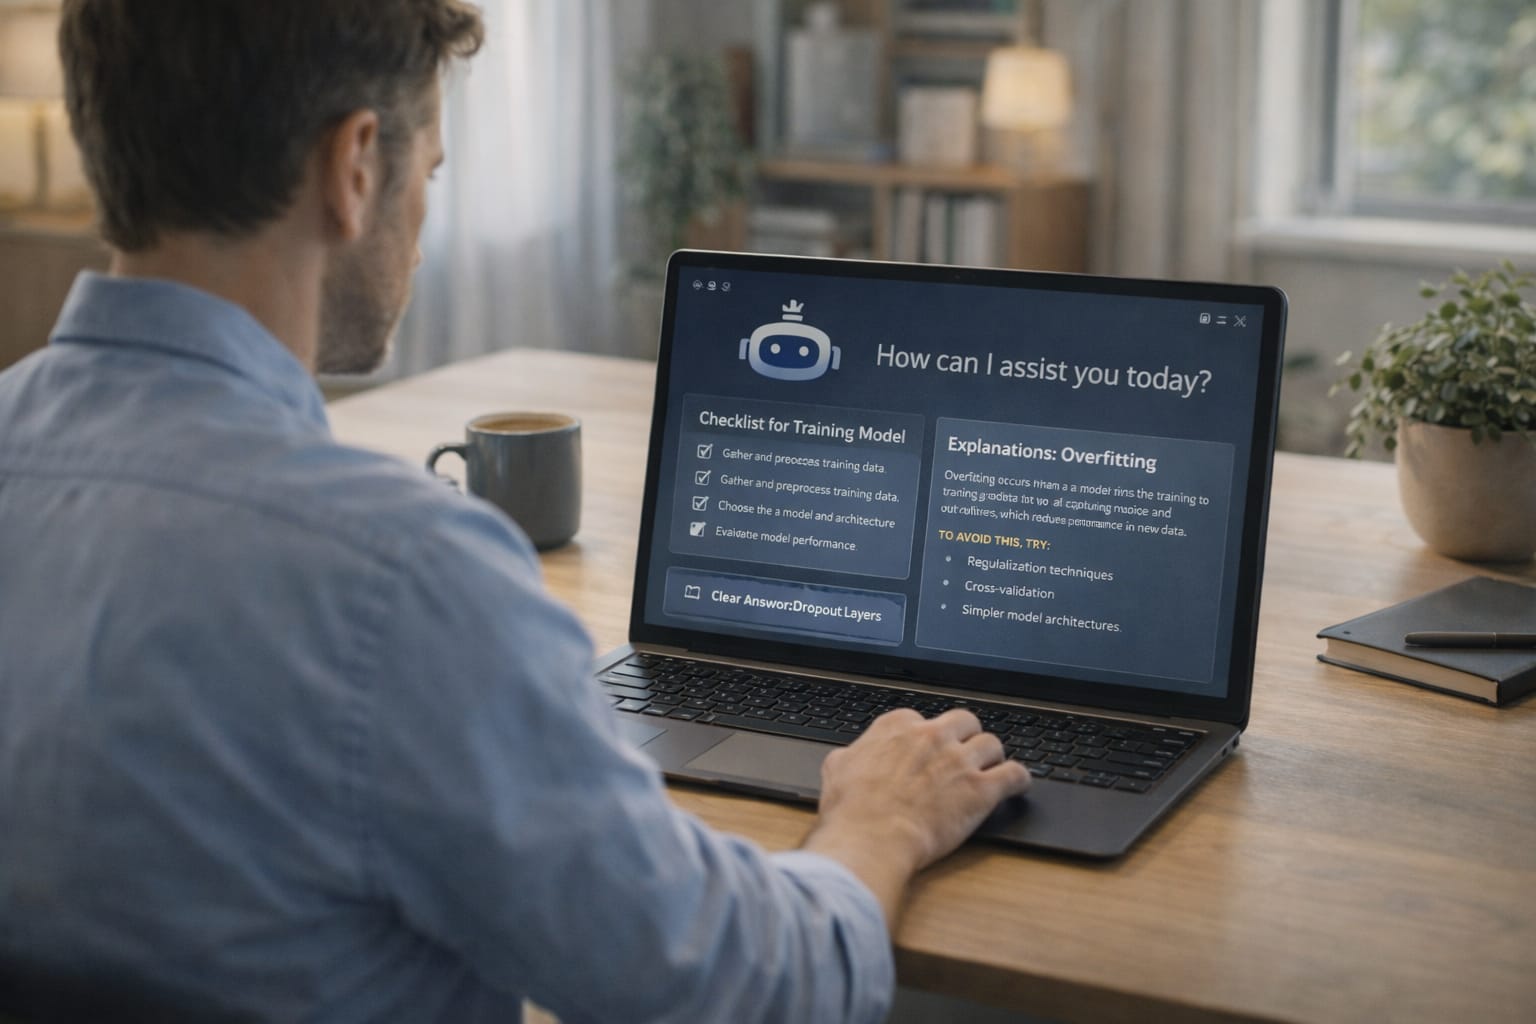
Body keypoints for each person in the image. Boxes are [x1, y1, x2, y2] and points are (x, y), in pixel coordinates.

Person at [0, 2, 1030, 1021]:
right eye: (432, 171)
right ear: (356, 167)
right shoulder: (402, 576)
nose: (423, 208)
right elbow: (752, 989)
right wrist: (883, 818)